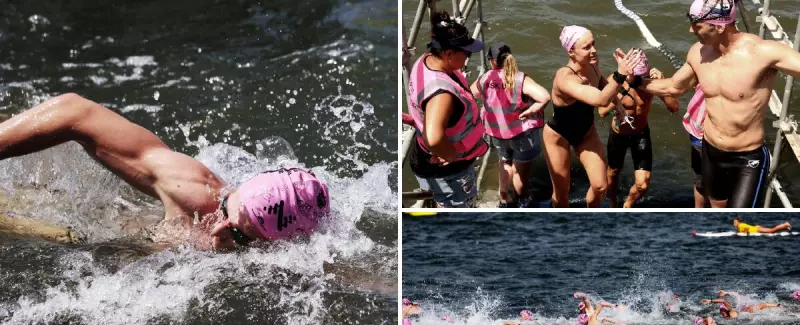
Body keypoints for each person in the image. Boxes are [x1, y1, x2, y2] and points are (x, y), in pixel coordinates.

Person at [0, 94, 330, 249]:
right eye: (227, 208)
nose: (219, 228)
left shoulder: (285, 263)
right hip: (119, 231)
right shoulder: (193, 189)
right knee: (73, 238)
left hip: (135, 238)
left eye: (240, 235)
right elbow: (75, 111)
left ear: (278, 245)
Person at [641, 0, 800, 207]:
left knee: (739, 219)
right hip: (711, 150)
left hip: (747, 157)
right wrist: (635, 82)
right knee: (716, 209)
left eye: (697, 25)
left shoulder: (763, 53)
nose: (691, 30)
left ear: (719, 26)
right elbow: (673, 87)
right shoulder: (699, 53)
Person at [542, 26, 640, 207]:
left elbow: (601, 83)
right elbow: (601, 100)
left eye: (593, 44)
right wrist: (620, 75)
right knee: (562, 195)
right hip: (558, 136)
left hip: (586, 132)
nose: (593, 50)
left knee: (600, 186)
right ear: (571, 51)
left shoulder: (593, 63)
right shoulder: (564, 77)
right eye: (587, 47)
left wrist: (618, 104)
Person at [406, 10, 488, 208]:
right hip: (449, 170)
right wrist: (451, 155)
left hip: (423, 157)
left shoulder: (427, 60)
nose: (469, 56)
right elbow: (433, 137)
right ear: (449, 53)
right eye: (466, 52)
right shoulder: (442, 94)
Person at [470, 42, 551, 207]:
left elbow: (470, 95)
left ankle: (504, 197)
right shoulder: (520, 78)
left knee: (505, 161)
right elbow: (544, 96)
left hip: (498, 132)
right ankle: (521, 201)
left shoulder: (485, 78)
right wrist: (530, 111)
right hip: (522, 134)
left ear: (492, 61)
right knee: (520, 173)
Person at [599, 51, 679, 207]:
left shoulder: (650, 83)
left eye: (643, 74)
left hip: (641, 133)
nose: (639, 79)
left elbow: (674, 108)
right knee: (614, 171)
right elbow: (602, 112)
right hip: (619, 134)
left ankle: (627, 205)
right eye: (636, 76)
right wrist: (621, 91)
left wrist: (662, 83)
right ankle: (613, 202)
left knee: (643, 184)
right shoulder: (615, 81)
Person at [682, 85, 708, 207]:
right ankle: (699, 210)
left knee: (719, 188)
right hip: (697, 133)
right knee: (699, 181)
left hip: (721, 136)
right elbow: (676, 86)